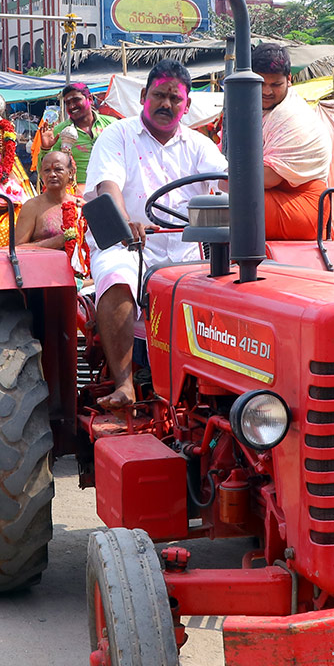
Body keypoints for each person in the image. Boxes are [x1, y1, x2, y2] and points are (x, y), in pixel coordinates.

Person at [85, 59, 228, 410]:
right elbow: (108, 186)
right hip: (127, 244)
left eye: (174, 99)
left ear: (187, 105)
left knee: (233, 287)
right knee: (118, 280)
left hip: (183, 251)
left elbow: (228, 182)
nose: (166, 104)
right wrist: (124, 224)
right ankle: (124, 385)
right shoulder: (117, 135)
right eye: (159, 96)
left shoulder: (198, 144)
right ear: (143, 97)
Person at [253, 42, 332, 240]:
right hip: (272, 197)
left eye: (275, 85)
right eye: (260, 83)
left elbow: (268, 179)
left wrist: (225, 176)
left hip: (304, 206)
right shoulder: (258, 110)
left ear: (289, 80)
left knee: (230, 201)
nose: (267, 92)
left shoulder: (290, 115)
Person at [38, 83, 114, 189]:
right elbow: (42, 172)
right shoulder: (58, 132)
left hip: (112, 188)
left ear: (90, 99)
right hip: (77, 196)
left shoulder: (111, 124)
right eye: (67, 103)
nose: (72, 106)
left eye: (76, 100)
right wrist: (45, 149)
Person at [16, 150, 77, 250]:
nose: (52, 174)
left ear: (70, 172)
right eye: (47, 170)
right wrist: (54, 242)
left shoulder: (79, 205)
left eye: (58, 169)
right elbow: (18, 249)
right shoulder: (32, 207)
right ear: (41, 174)